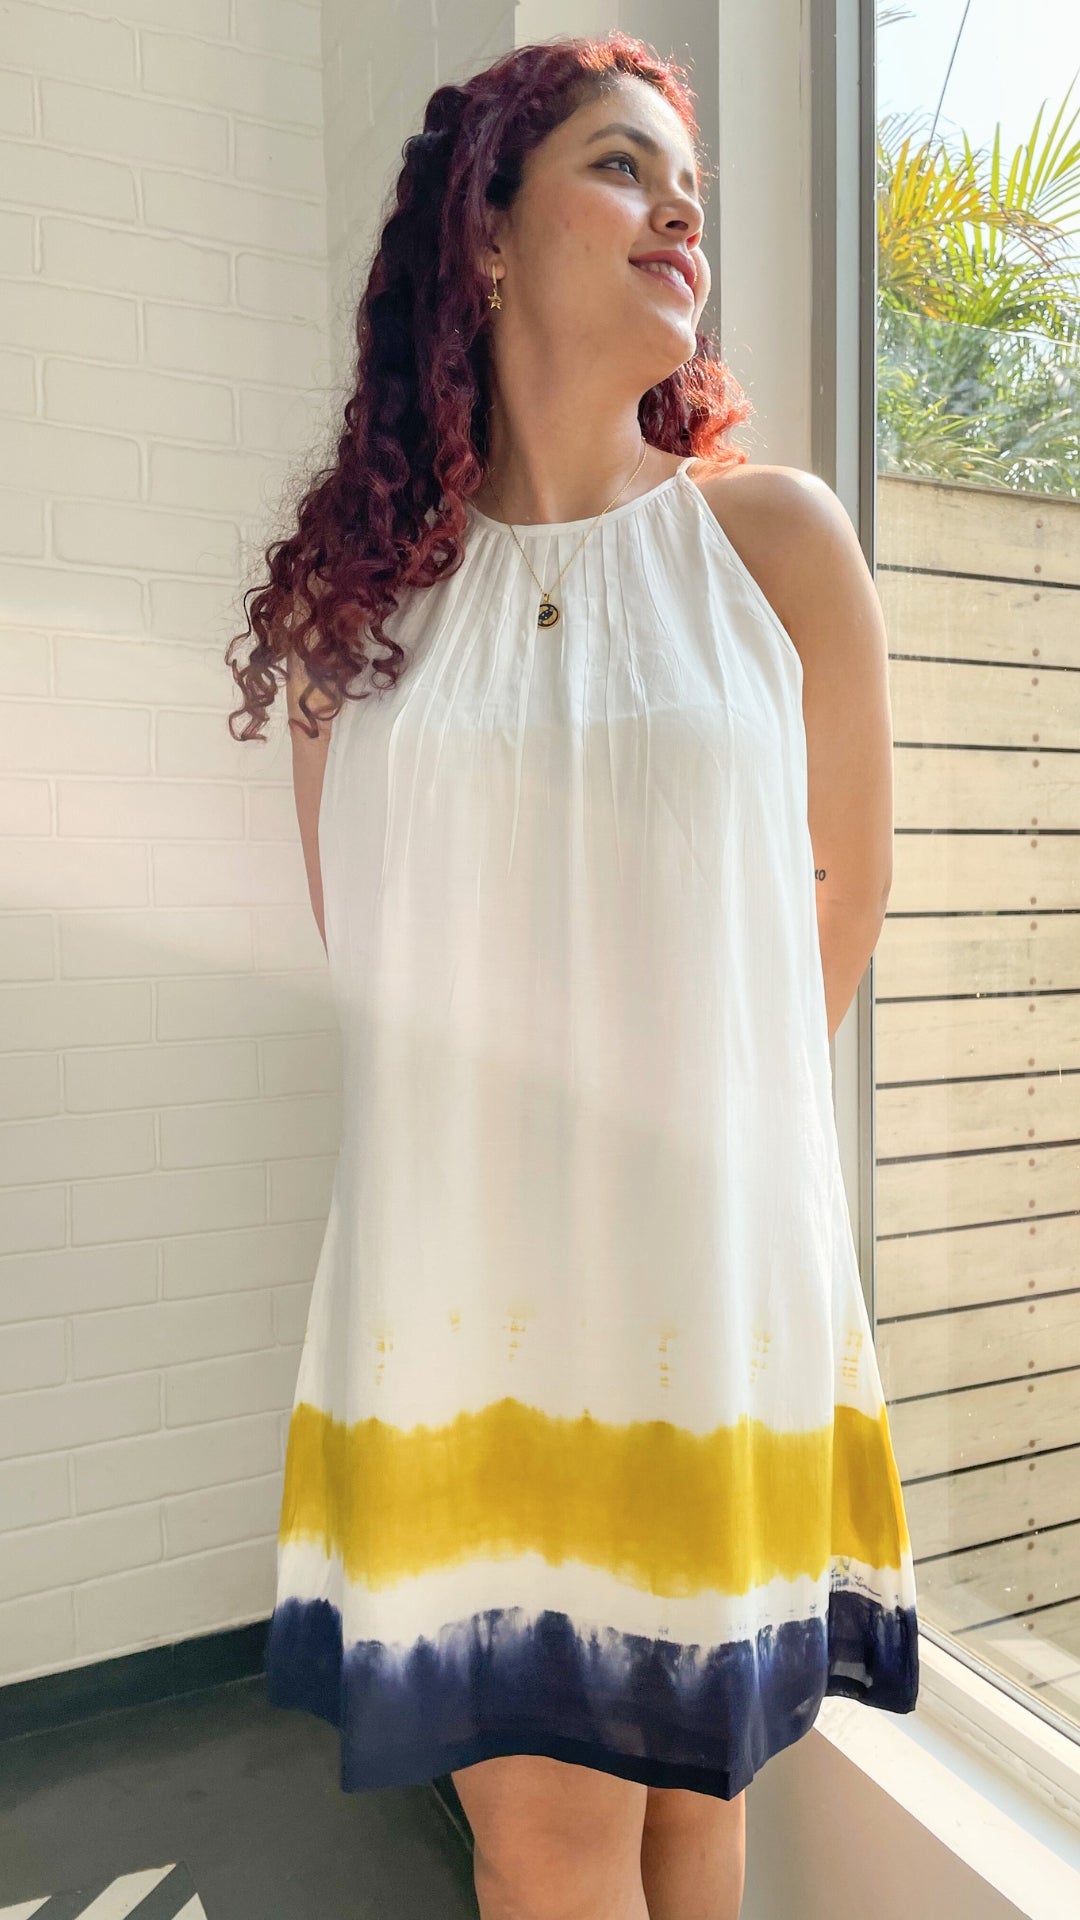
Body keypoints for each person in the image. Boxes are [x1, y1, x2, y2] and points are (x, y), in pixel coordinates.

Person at [228, 31, 920, 1920]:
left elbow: (841, 901)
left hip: (708, 1290)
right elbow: (378, 954)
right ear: (485, 237)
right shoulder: (365, 624)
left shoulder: (777, 547)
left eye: (692, 187)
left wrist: (690, 1158)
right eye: (623, 167)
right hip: (463, 1311)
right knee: (549, 1847)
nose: (680, 210)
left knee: (694, 1809)